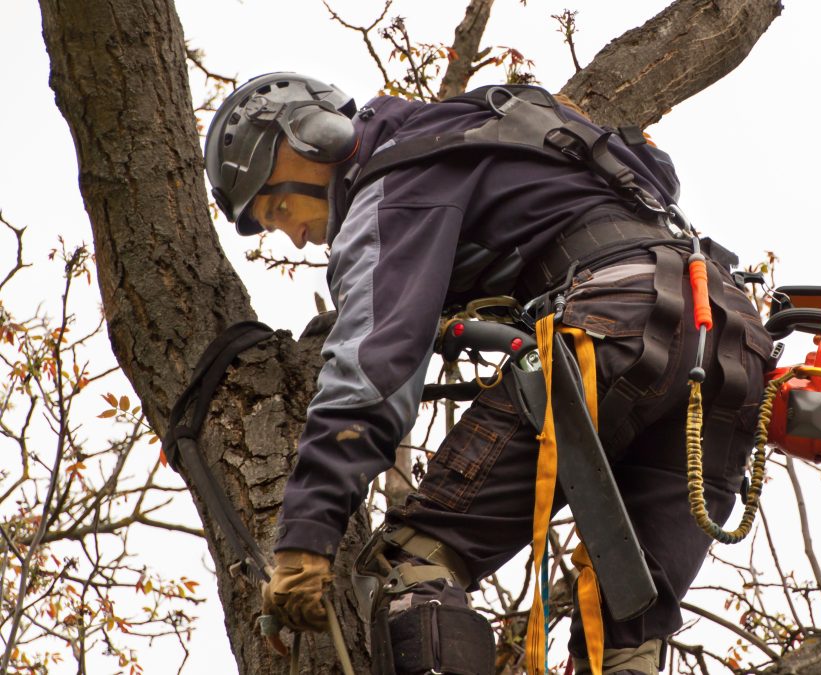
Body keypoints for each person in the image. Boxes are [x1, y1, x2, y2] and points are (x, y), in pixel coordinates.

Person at [203, 72, 773, 675]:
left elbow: (374, 365)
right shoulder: (500, 132)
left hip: (615, 329)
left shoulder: (395, 179)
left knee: (412, 564)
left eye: (279, 206)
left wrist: (306, 535)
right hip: (734, 351)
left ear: (311, 139)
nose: (292, 237)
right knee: (623, 626)